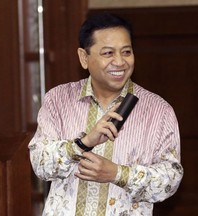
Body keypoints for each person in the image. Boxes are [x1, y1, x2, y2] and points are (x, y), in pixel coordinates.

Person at [29, 12, 183, 216]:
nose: (120, 62)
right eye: (108, 53)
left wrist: (117, 174)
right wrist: (82, 144)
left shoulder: (158, 110)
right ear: (84, 57)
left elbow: (170, 180)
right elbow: (40, 165)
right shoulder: (58, 100)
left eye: (126, 52)